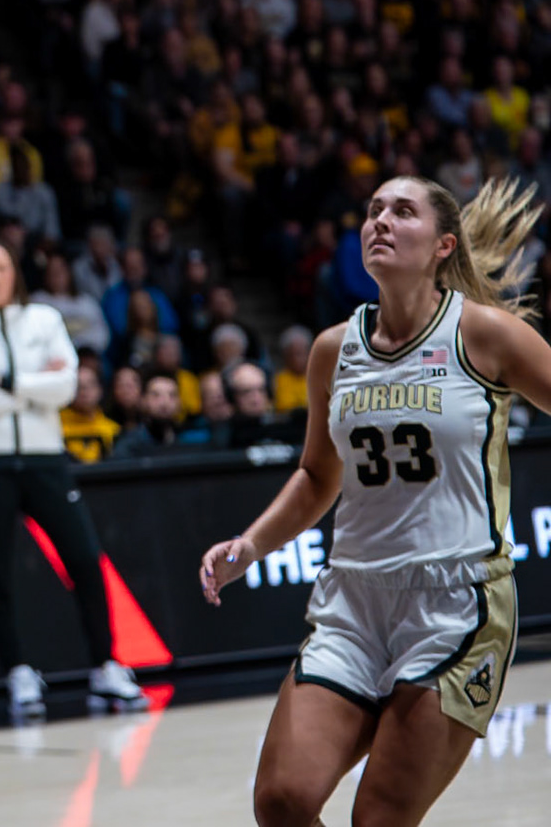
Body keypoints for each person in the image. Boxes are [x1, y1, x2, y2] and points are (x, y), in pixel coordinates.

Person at [201, 178, 551, 826]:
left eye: (402, 211)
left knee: (379, 820)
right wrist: (251, 545)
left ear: (443, 245)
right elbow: (315, 475)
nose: (380, 222)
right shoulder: (335, 349)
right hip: (354, 604)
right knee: (282, 801)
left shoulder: (485, 336)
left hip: (457, 605)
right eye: (373, 211)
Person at [0, 241, 147, 720]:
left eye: (0, 268)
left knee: (84, 558)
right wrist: (34, 384)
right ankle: (18, 672)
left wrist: (5, 382)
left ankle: (105, 665)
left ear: (14, 272)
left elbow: (68, 387)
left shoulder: (44, 320)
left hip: (44, 458)